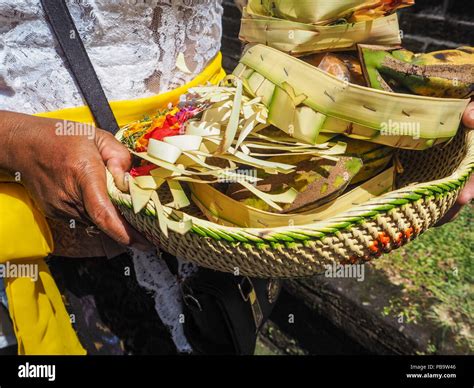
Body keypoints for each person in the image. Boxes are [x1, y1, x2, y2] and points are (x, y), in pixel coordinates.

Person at [0, 0, 472, 354]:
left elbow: (313, 15)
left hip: (224, 165)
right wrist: (17, 141)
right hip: (46, 222)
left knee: (222, 326)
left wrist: (419, 103)